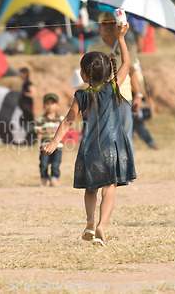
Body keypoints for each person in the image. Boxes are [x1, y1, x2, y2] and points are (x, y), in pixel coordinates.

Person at [43, 22, 135, 246]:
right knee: (109, 188)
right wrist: (121, 38)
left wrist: (55, 142)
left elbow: (67, 121)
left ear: (84, 74)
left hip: (90, 150)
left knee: (90, 189)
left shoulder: (81, 96)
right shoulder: (113, 88)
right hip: (113, 148)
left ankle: (90, 224)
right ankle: (103, 225)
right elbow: (128, 63)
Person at [88, 11, 143, 149]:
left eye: (112, 23)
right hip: (102, 96)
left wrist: (138, 94)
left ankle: (127, 169)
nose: (108, 27)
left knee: (125, 135)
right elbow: (89, 74)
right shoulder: (92, 48)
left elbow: (132, 70)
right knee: (105, 136)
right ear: (99, 27)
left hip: (124, 96)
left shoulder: (126, 45)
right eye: (104, 24)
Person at [36, 93, 64, 187]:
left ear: (57, 105)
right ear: (44, 105)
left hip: (58, 146)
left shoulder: (60, 119)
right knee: (43, 163)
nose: (50, 106)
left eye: (52, 103)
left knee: (55, 163)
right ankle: (44, 178)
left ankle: (54, 178)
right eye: (47, 103)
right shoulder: (41, 119)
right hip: (45, 145)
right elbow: (37, 129)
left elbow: (64, 129)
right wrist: (45, 131)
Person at [132, 60, 158, 149]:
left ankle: (150, 142)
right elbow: (144, 91)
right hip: (137, 101)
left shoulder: (135, 74)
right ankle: (150, 142)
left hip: (133, 101)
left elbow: (142, 91)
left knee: (138, 124)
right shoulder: (140, 75)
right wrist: (147, 102)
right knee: (137, 124)